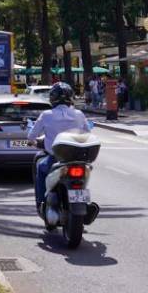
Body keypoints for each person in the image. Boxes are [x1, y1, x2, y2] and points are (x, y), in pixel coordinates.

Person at [26, 82, 91, 214]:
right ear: (71, 97)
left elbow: (31, 136)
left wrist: (33, 142)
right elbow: (88, 133)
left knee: (40, 167)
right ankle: (83, 202)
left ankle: (40, 203)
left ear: (52, 98)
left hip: (55, 159)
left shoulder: (46, 115)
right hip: (77, 160)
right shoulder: (79, 114)